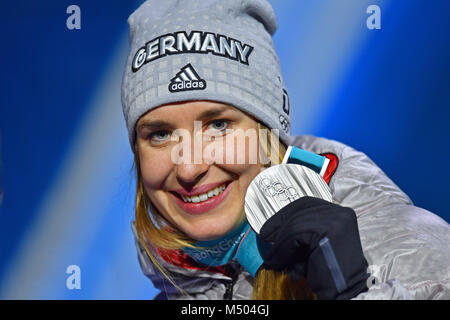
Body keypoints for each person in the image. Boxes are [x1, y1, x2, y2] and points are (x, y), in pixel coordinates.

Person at [121, 0, 450, 300]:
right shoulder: (181, 289)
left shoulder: (412, 260)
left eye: (218, 125)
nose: (189, 168)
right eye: (161, 134)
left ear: (269, 134)